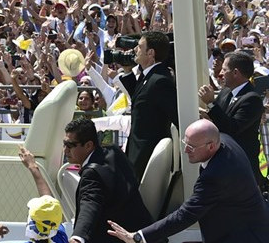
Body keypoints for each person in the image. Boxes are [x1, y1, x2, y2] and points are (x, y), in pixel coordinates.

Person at [107, 119, 269, 243]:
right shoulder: (225, 141)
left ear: (210, 146)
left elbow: (185, 215)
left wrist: (139, 237)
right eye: (185, 143)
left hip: (244, 237)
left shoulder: (217, 175)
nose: (185, 150)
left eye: (191, 147)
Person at [59, 117, 153, 243]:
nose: (65, 150)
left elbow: (90, 203)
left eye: (70, 145)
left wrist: (78, 237)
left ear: (88, 145)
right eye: (64, 144)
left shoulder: (92, 174)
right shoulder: (114, 152)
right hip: (144, 233)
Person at [198, 51, 265, 186]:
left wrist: (210, 103)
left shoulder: (252, 99)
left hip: (239, 166)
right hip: (221, 162)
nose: (221, 74)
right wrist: (205, 113)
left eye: (224, 69)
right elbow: (219, 117)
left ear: (235, 73)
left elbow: (232, 128)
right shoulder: (225, 92)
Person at [119, 31, 178, 180]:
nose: (135, 50)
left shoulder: (160, 80)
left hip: (147, 155)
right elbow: (141, 98)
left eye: (139, 47)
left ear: (150, 52)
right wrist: (127, 71)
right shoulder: (149, 76)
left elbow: (176, 116)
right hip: (137, 152)